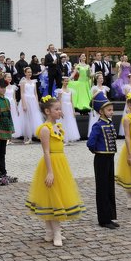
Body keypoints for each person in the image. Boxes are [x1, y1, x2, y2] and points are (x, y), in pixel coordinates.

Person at [25, 96, 85, 246]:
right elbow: (46, 151)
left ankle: (49, 232)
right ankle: (56, 232)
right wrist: (50, 172)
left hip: (61, 162)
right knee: (53, 197)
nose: (60, 111)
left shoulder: (58, 127)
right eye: (57, 109)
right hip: (51, 163)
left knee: (53, 196)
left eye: (60, 109)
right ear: (47, 111)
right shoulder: (45, 129)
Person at [86, 90, 119, 229]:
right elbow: (90, 143)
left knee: (109, 187)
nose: (112, 112)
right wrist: (97, 152)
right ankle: (103, 219)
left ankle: (110, 216)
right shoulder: (97, 126)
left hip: (110, 158)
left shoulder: (110, 123)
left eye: (112, 110)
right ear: (101, 111)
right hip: (101, 159)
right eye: (109, 110)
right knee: (102, 188)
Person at [19, 67, 43, 144]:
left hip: (32, 100)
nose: (30, 74)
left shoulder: (33, 82)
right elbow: (22, 93)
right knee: (26, 119)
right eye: (28, 72)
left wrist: (36, 102)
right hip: (26, 100)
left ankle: (31, 137)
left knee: (33, 118)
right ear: (25, 73)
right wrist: (24, 104)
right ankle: (26, 137)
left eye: (30, 72)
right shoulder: (23, 82)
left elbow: (35, 93)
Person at [57, 76, 80, 144]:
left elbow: (71, 101)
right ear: (62, 82)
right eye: (65, 81)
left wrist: (73, 111)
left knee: (70, 122)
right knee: (63, 122)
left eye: (67, 81)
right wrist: (60, 110)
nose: (66, 82)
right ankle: (63, 138)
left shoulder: (70, 90)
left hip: (69, 107)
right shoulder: (60, 91)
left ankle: (69, 137)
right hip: (63, 107)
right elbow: (59, 101)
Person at [88, 72, 111, 138]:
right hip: (98, 107)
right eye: (100, 78)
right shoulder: (95, 88)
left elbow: (106, 97)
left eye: (102, 78)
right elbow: (94, 99)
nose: (101, 79)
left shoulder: (105, 88)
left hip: (104, 107)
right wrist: (96, 108)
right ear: (97, 79)